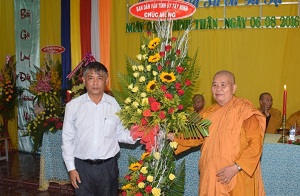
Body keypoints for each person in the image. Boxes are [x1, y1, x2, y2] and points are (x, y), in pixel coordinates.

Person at [169, 70, 266, 195]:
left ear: (234, 88)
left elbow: (255, 144)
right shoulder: (208, 113)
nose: (218, 89)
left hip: (237, 175)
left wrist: (236, 167)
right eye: (214, 85)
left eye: (223, 85)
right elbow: (194, 135)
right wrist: (172, 136)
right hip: (211, 175)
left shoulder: (245, 110)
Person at [62, 62, 139, 196]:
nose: (95, 83)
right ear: (84, 81)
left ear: (106, 81)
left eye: (100, 78)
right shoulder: (73, 106)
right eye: (91, 78)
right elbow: (67, 140)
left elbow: (119, 134)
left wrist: (141, 132)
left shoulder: (113, 105)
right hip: (82, 169)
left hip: (108, 168)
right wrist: (71, 169)